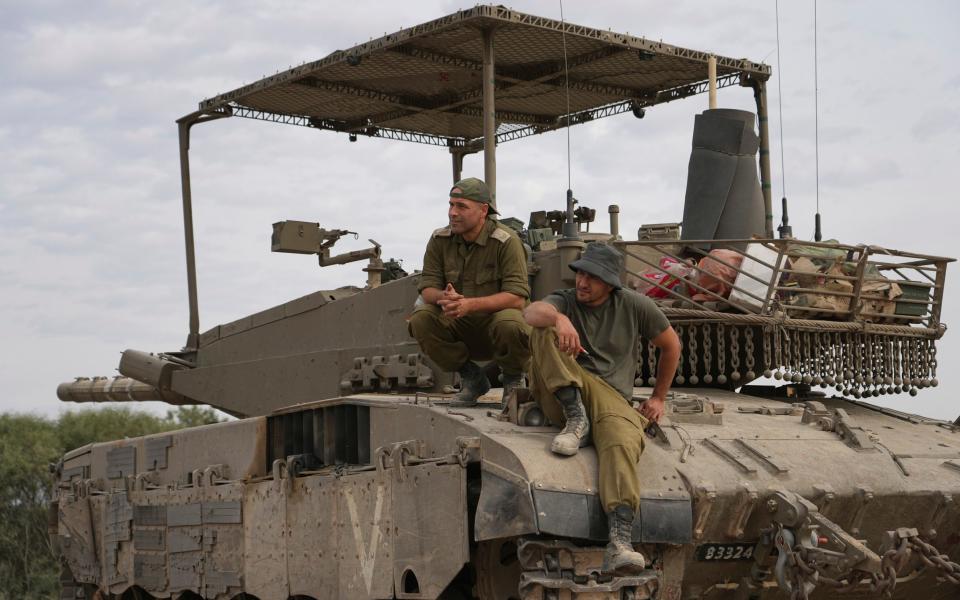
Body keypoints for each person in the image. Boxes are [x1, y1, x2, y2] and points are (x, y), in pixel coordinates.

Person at [523, 242, 681, 575]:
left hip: (611, 396)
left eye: (592, 277)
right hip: (561, 388)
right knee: (543, 329)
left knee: (623, 438)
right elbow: (530, 313)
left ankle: (620, 539)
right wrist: (560, 319)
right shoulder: (564, 300)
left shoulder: (634, 305)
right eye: (580, 273)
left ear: (610, 283)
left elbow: (671, 345)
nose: (582, 282)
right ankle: (576, 416)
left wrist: (658, 398)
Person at [409, 177, 531, 406]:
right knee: (421, 318)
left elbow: (516, 298)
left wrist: (470, 305)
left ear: (483, 210)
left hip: (496, 328)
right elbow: (427, 289)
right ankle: (473, 378)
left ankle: (513, 381)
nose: (452, 212)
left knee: (511, 322)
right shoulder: (439, 240)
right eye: (451, 205)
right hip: (460, 325)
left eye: (461, 206)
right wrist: (445, 298)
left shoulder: (506, 242)